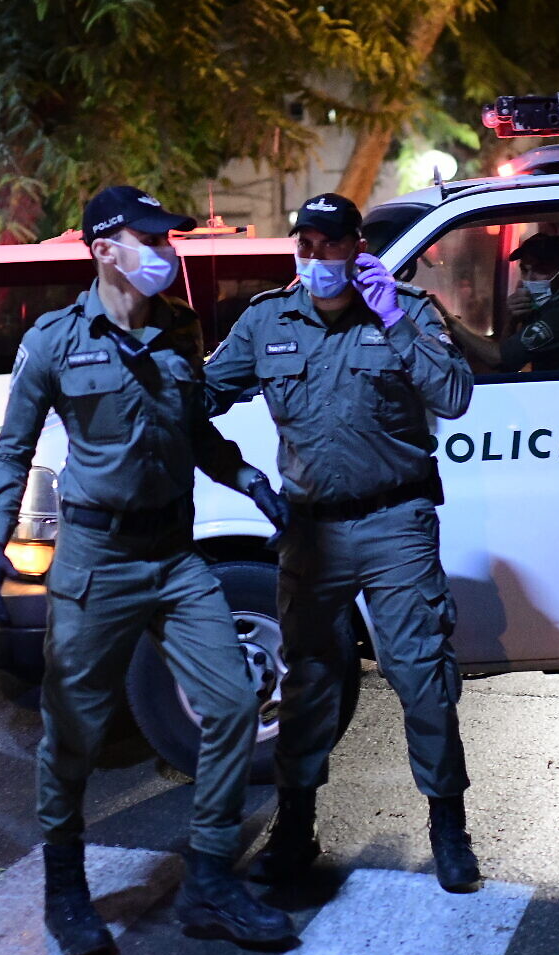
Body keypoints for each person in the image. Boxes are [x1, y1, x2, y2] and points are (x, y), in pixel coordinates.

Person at [0, 186, 295, 955]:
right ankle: (64, 888)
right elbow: (13, 447)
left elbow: (192, 429)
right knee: (73, 731)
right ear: (103, 249)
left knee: (228, 703)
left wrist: (244, 475)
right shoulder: (54, 340)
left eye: (169, 238)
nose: (166, 251)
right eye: (149, 238)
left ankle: (210, 880)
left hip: (175, 555)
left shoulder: (179, 328)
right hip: (98, 558)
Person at [202, 193, 480, 893]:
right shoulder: (267, 319)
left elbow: (452, 394)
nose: (316, 257)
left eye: (330, 244)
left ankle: (447, 825)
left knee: (421, 674)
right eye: (305, 243)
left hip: (396, 521)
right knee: (309, 680)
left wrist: (392, 318)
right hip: (310, 530)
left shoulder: (405, 310)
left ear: (357, 246)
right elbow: (198, 395)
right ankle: (295, 828)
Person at [445, 232, 559, 374]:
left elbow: (498, 359)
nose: (529, 279)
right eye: (525, 270)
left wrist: (448, 320)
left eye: (540, 270)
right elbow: (509, 363)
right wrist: (513, 318)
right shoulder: (549, 304)